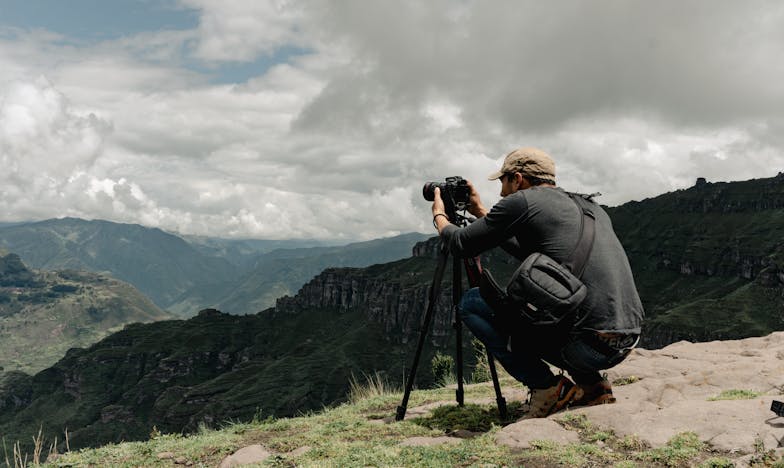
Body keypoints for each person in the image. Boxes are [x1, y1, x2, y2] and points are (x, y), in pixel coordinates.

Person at [430, 147, 644, 419]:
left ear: (517, 178)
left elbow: (460, 243)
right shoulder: (591, 207)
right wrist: (481, 210)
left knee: (473, 303)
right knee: (559, 304)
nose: (501, 193)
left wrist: (439, 215)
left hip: (584, 346)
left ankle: (547, 389)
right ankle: (593, 385)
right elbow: (532, 252)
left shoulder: (522, 201)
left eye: (503, 183)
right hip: (623, 342)